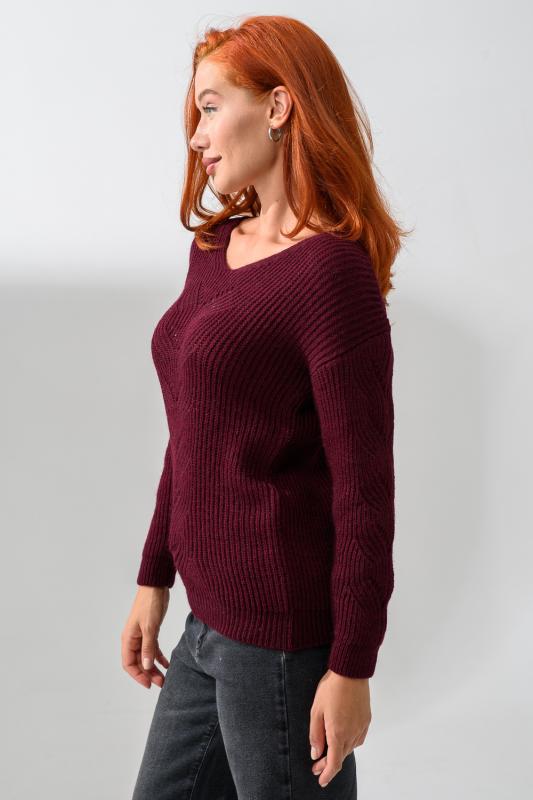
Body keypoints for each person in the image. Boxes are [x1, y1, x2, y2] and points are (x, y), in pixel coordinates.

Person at [121, 14, 410, 800]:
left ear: (278, 106)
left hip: (280, 645)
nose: (196, 137)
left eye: (211, 107)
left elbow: (364, 492)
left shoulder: (330, 278)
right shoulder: (215, 248)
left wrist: (350, 666)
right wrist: (154, 576)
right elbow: (192, 432)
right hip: (205, 625)